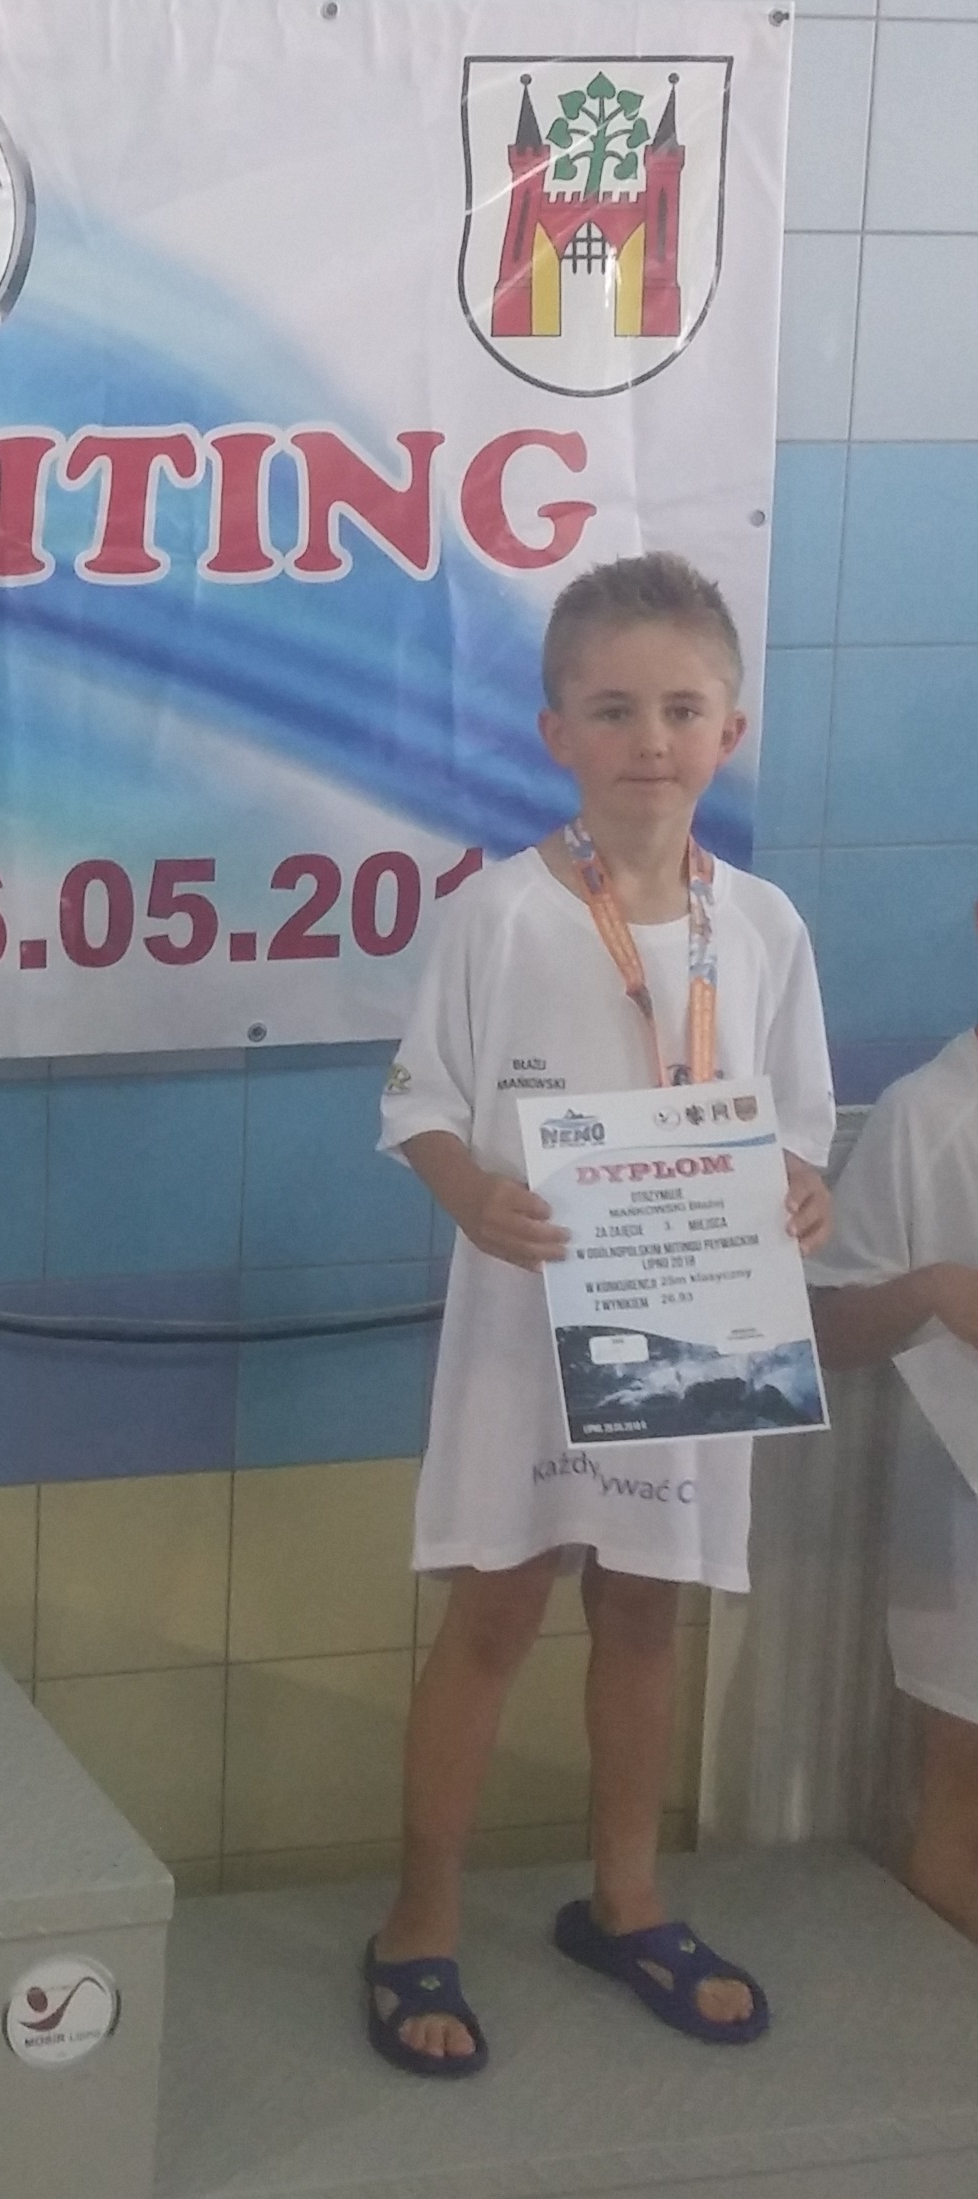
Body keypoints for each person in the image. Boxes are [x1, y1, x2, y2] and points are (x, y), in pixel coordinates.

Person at [367, 551, 835, 2077]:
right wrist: (468, 1194)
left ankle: (624, 1898)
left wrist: (800, 1195)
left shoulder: (759, 924)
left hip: (694, 1318)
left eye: (680, 709)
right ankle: (418, 1919)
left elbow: (795, 1125)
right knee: (493, 1609)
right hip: (527, 1322)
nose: (649, 737)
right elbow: (418, 1101)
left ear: (728, 730)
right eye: (614, 708)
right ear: (555, 729)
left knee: (644, 1608)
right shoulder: (500, 915)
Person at [809, 972, 978, 1942]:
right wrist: (931, 1290)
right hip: (958, 1490)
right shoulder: (929, 1113)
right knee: (958, 1782)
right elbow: (828, 1331)